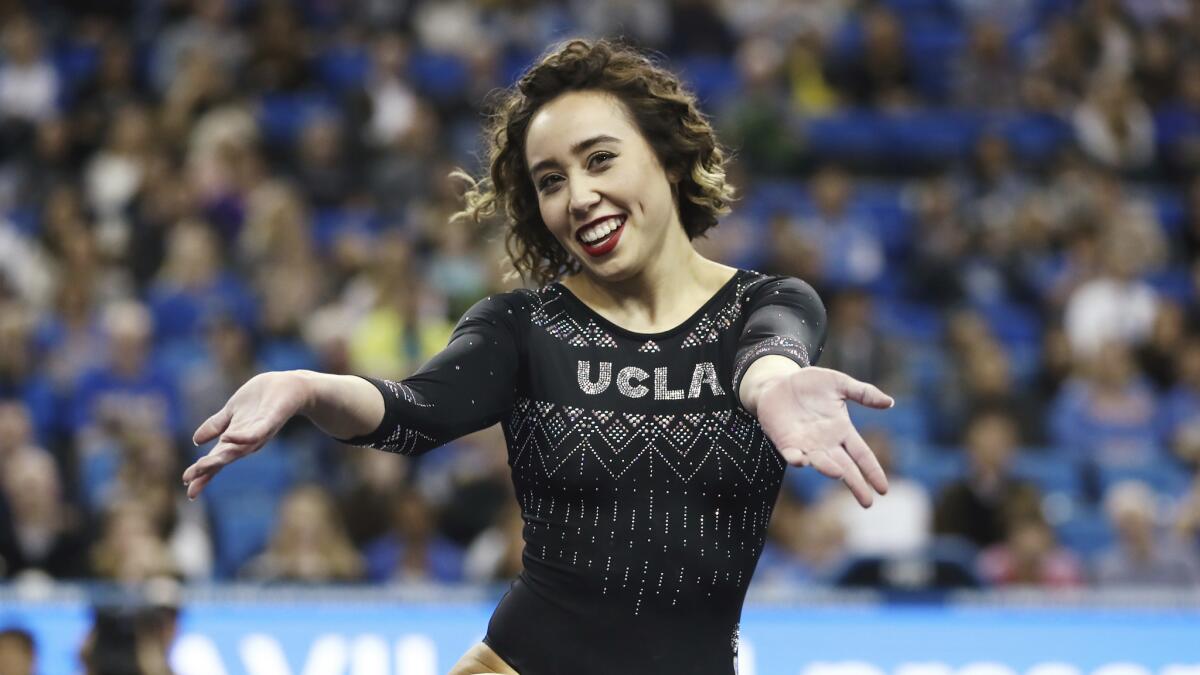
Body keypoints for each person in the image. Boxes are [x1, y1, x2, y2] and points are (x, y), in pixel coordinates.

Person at [182, 39, 894, 675]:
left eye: (601, 159)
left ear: (669, 158)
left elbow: (770, 353)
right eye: (551, 180)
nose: (579, 196)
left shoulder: (767, 304)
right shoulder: (523, 326)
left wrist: (772, 386)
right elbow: (414, 413)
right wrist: (306, 386)